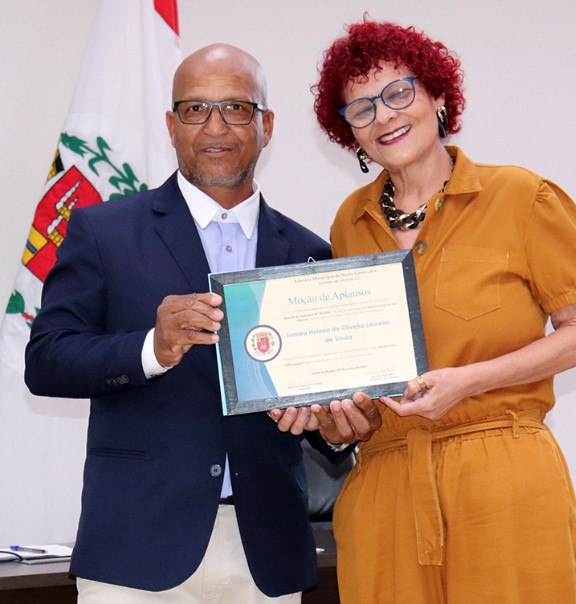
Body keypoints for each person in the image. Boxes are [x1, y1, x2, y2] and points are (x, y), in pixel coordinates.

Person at [25, 43, 380, 604]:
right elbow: (46, 360)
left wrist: (335, 430)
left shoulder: (310, 252)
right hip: (137, 546)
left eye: (236, 108)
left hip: (266, 552)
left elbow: (320, 405)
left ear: (266, 125)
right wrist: (152, 348)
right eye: (195, 109)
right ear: (171, 126)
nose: (216, 127)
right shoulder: (103, 231)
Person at [311, 19, 576, 603]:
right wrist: (344, 417)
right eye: (362, 109)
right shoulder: (349, 223)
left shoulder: (522, 196)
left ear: (438, 96)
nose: (384, 116)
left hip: (502, 481)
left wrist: (469, 381)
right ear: (350, 133)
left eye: (398, 93)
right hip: (386, 486)